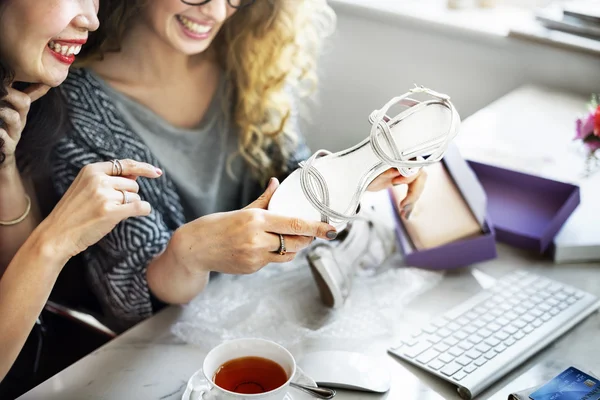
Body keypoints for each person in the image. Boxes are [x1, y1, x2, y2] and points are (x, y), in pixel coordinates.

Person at [52, 0, 427, 330]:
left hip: (269, 314)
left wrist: (356, 171)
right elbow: (132, 296)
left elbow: (288, 167)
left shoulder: (247, 57)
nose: (216, 12)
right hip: (167, 345)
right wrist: (189, 252)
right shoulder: (74, 107)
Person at [0, 0, 164, 383]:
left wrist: (4, 165)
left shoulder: (27, 104)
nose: (90, 19)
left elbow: (13, 285)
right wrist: (58, 238)